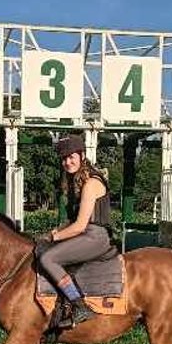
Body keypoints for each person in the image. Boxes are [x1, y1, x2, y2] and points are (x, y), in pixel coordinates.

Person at [37, 135, 115, 325]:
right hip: (87, 235)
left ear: (81, 156)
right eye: (64, 159)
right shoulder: (77, 182)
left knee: (48, 258)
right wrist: (53, 232)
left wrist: (53, 237)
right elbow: (72, 221)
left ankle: (79, 305)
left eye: (71, 157)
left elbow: (80, 226)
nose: (67, 162)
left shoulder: (90, 183)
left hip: (95, 237)